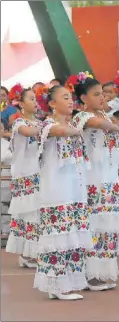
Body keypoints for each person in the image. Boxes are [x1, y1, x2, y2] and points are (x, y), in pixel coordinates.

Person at [34, 85, 92, 300]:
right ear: (51, 103)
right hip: (57, 190)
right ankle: (56, 285)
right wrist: (77, 129)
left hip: (74, 188)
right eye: (64, 98)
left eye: (71, 98)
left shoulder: (70, 125)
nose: (70, 101)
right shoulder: (47, 125)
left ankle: (65, 283)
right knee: (58, 235)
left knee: (72, 235)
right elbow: (60, 131)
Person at [73, 73, 119, 291]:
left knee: (106, 227)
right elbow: (106, 125)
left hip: (109, 177)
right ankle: (88, 274)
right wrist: (112, 121)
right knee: (92, 225)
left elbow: (114, 126)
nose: (102, 97)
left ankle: (101, 273)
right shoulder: (81, 118)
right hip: (91, 178)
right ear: (84, 98)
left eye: (103, 94)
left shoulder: (105, 116)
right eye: (96, 94)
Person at [5, 86, 42, 267]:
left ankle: (32, 253)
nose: (35, 102)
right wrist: (48, 126)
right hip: (24, 173)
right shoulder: (19, 123)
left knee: (37, 213)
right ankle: (27, 254)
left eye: (36, 99)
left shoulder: (39, 122)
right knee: (28, 213)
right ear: (20, 103)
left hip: (38, 172)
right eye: (31, 99)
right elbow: (28, 133)